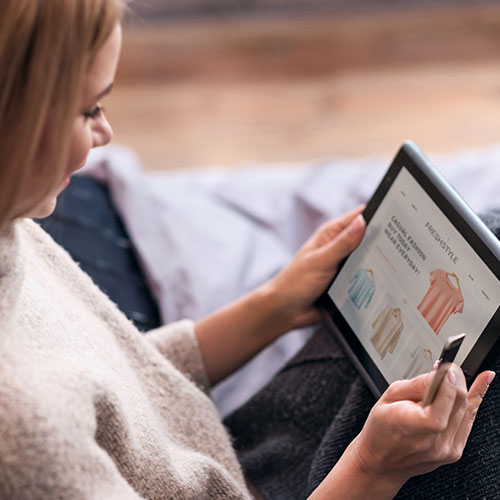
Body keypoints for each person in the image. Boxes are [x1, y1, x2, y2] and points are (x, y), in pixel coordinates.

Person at [0, 1, 494, 499]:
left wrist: (272, 306)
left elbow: (112, 379)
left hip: (247, 446)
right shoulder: (24, 441)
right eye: (89, 109)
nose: (106, 134)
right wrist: (374, 469)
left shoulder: (12, 223)